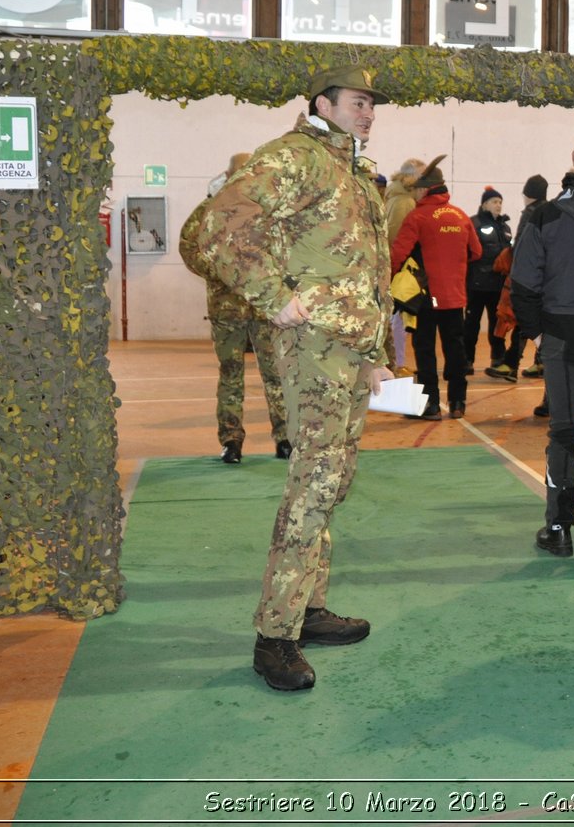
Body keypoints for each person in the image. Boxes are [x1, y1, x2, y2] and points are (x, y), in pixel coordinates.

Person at [192, 64, 396, 693]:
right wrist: (268, 293)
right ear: (323, 103)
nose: (368, 112)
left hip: (346, 351)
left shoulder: (351, 167)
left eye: (371, 104)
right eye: (358, 102)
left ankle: (307, 609)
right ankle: (275, 635)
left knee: (331, 483)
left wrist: (373, 352)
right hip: (311, 350)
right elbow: (210, 229)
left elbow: (365, 269)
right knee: (313, 486)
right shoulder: (295, 158)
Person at [511, 126, 574, 558]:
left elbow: (522, 283)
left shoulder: (544, 215)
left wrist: (537, 333)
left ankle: (559, 527)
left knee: (564, 433)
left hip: (561, 339)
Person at [179, 152, 291, 464]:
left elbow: (286, 248)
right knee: (231, 374)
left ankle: (284, 439)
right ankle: (231, 441)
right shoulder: (210, 209)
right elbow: (188, 247)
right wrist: (219, 269)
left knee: (275, 373)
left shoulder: (267, 208)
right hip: (227, 308)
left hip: (265, 307)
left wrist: (271, 276)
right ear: (229, 175)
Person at [390, 156, 481, 419]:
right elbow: (476, 251)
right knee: (455, 348)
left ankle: (430, 405)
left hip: (426, 298)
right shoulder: (461, 215)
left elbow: (398, 254)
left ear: (423, 189)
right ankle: (458, 402)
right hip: (455, 297)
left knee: (425, 347)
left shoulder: (418, 217)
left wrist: (388, 279)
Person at [488, 174, 549, 384]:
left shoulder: (530, 213)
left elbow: (522, 245)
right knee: (541, 320)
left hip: (527, 276)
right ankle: (540, 362)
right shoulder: (550, 211)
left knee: (521, 317)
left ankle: (511, 364)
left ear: (527, 194)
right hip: (545, 276)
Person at [384, 157, 427, 376]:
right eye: (423, 175)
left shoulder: (396, 197)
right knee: (400, 317)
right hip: (401, 267)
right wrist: (396, 267)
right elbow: (397, 236)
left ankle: (396, 361)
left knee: (396, 317)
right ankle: (398, 363)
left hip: (397, 265)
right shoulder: (405, 202)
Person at [466, 187, 513, 376]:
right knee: (471, 324)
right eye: (494, 201)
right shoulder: (474, 223)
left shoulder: (505, 227)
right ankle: (467, 360)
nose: (498, 205)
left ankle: (498, 359)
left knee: (497, 324)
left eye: (500, 202)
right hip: (476, 284)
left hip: (498, 286)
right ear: (484, 204)